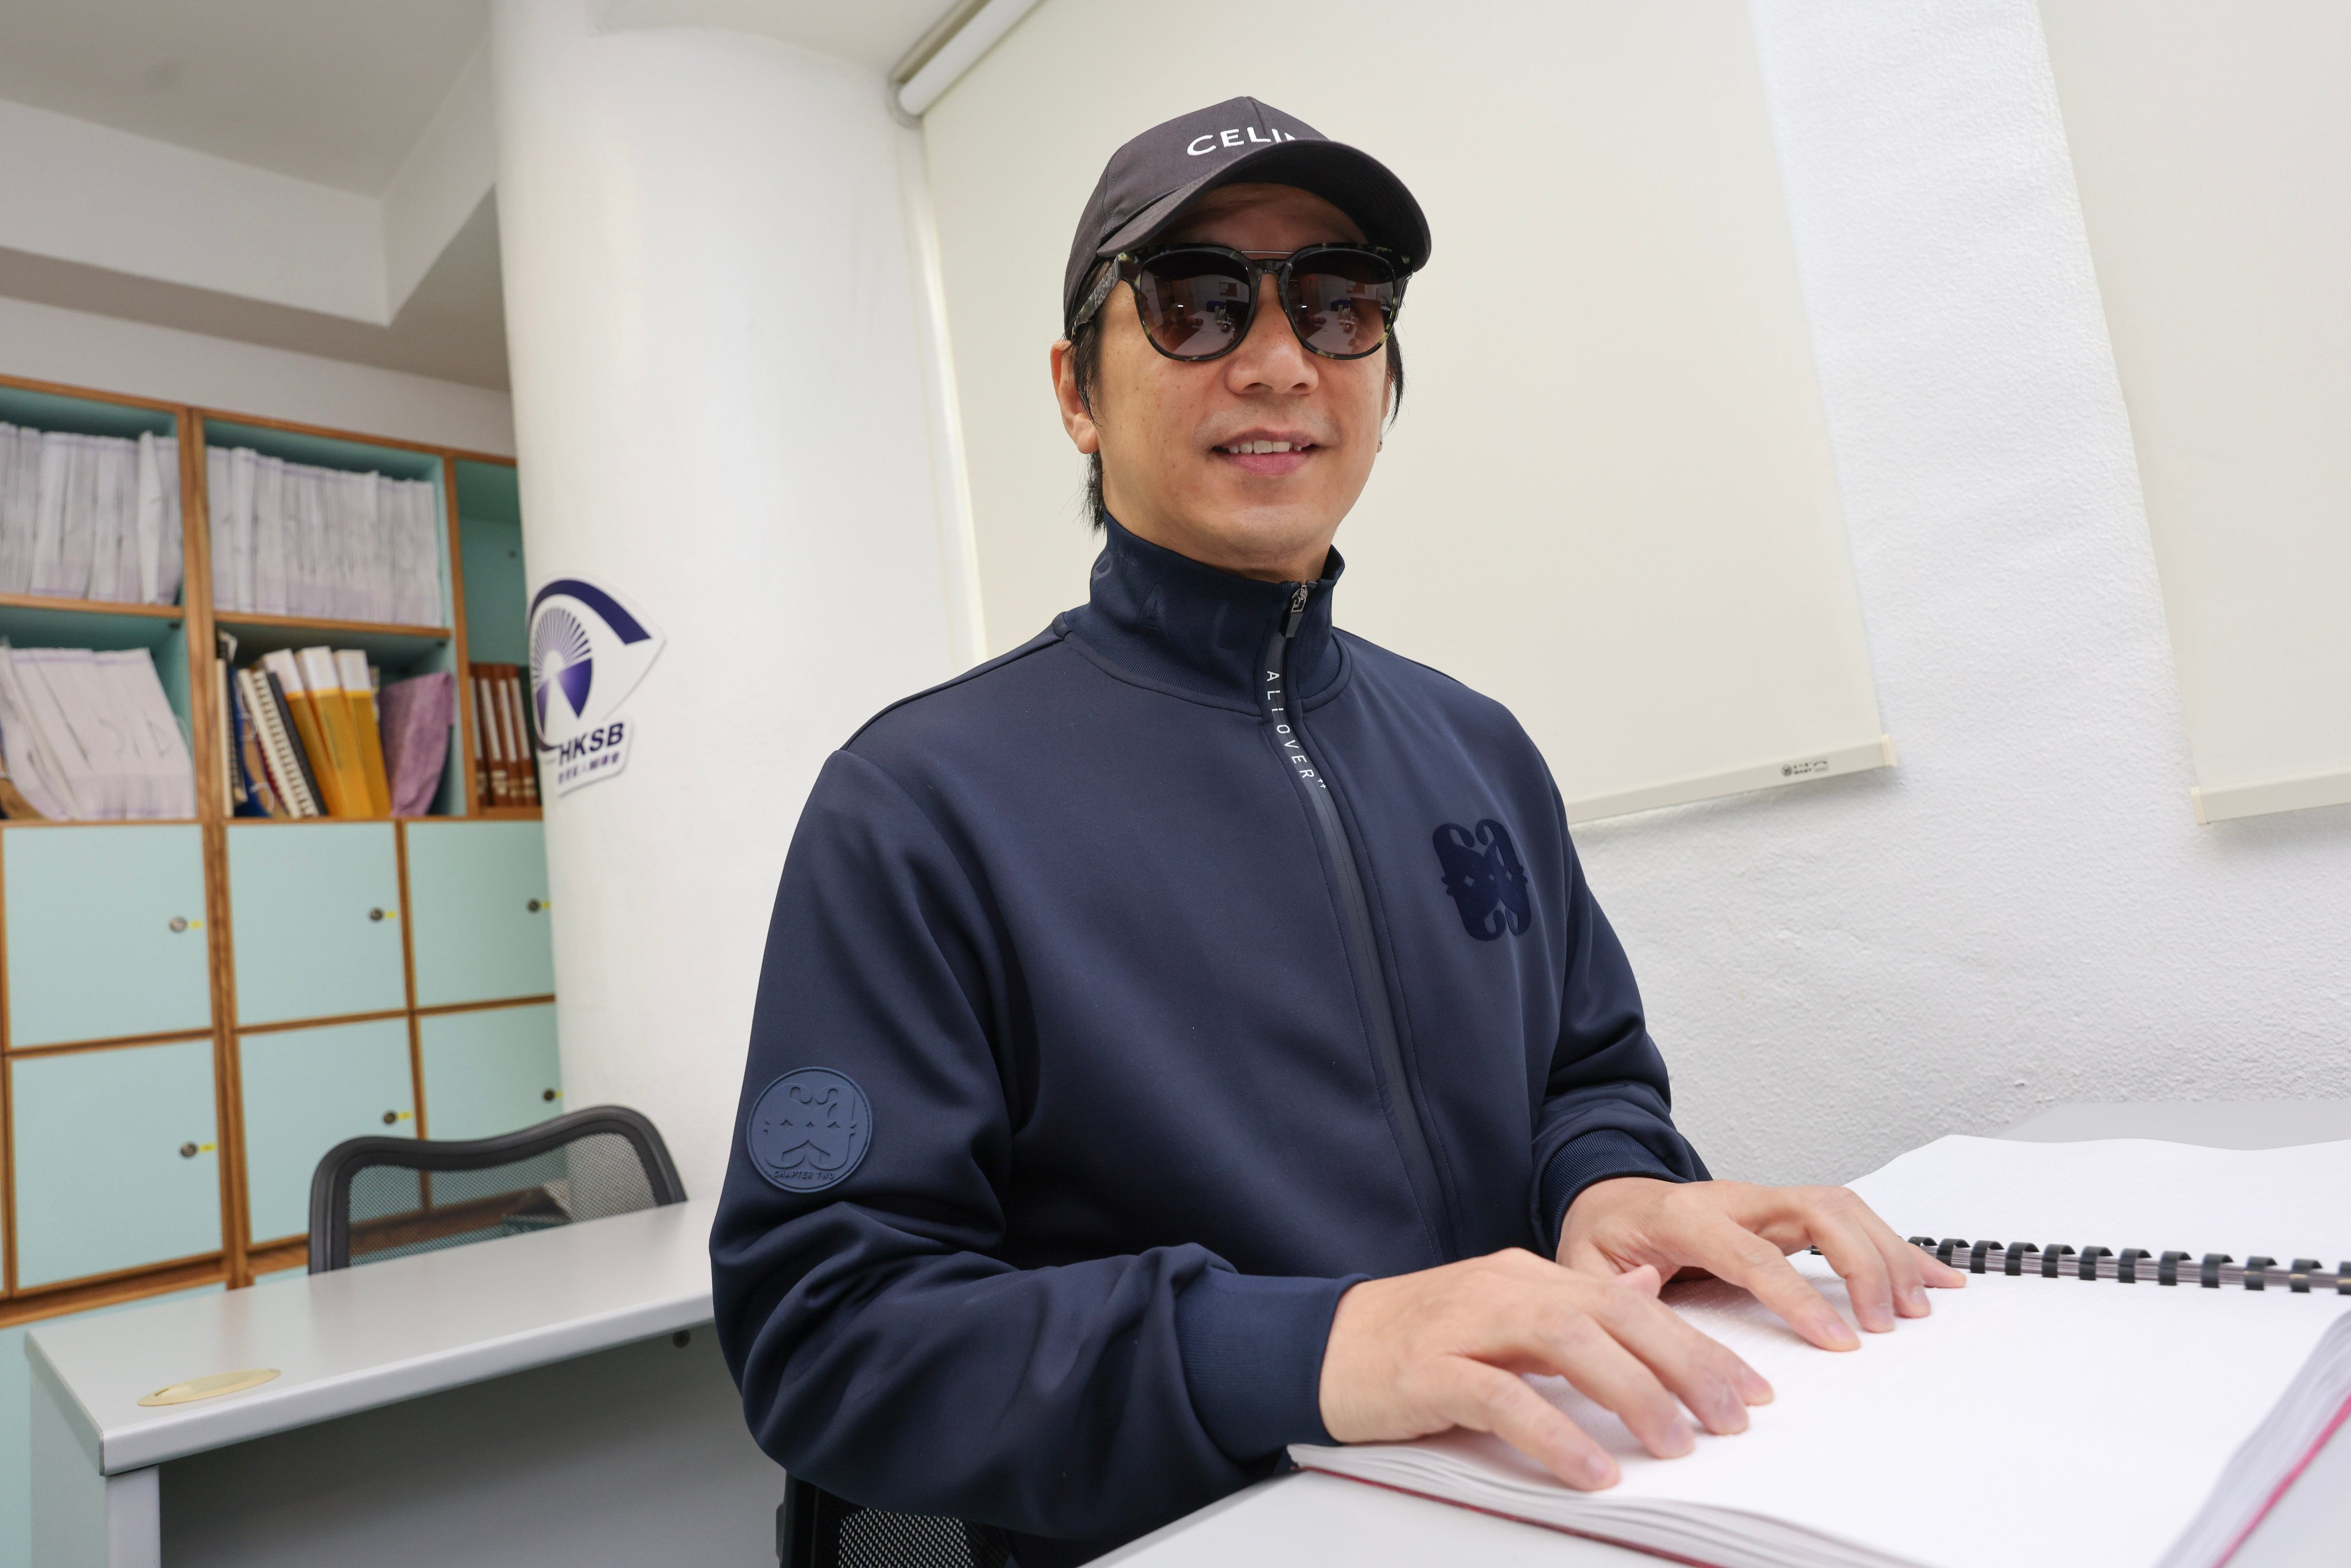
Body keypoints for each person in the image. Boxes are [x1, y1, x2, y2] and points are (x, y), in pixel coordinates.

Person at [711, 96, 1961, 1566]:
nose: (1279, 358)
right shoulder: (918, 802)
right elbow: (831, 1333)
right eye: (1194, 301)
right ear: (1074, 390)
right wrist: (1320, 1343)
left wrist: (1608, 1182)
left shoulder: (1475, 744)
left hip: (1551, 1496)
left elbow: (1585, 1070)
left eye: (1339, 300)